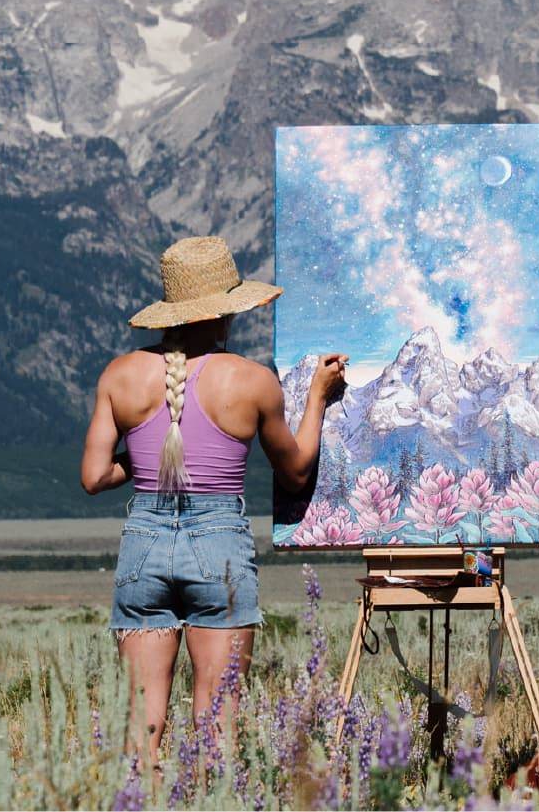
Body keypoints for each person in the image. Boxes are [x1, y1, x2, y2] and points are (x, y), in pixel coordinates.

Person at [79, 235, 346, 765]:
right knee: (216, 731)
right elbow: (295, 473)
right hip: (218, 545)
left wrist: (151, 457)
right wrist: (317, 397)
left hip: (143, 543)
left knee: (141, 730)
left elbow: (93, 476)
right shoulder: (251, 382)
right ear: (227, 312)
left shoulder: (120, 374)